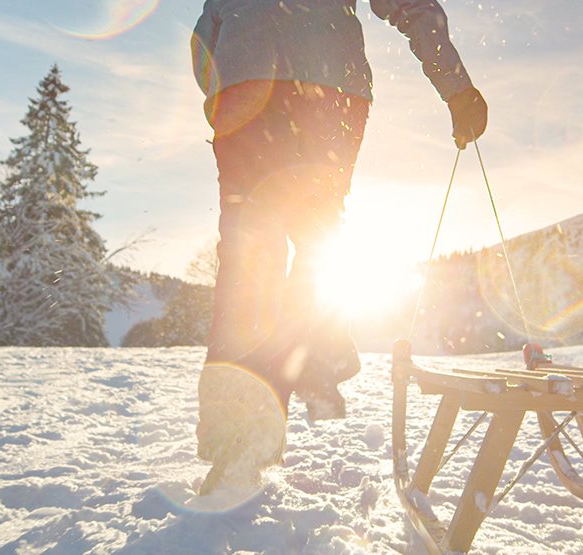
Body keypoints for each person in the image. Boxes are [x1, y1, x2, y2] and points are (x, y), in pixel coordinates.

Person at [190, 0, 487, 492]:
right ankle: (314, 355)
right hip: (330, 86)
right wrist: (455, 86)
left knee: (248, 254)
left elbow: (205, 33)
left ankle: (239, 433)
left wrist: (225, 84)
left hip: (246, 85)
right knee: (317, 232)